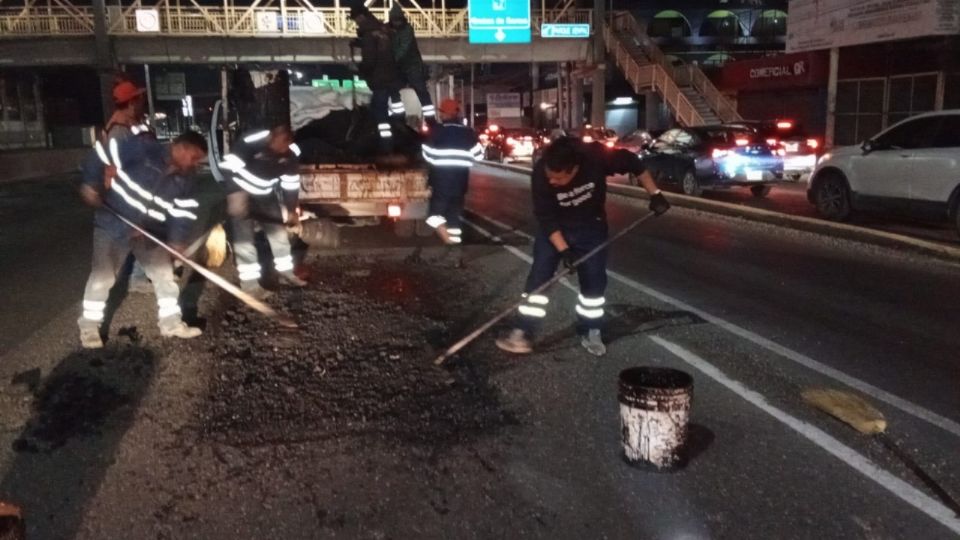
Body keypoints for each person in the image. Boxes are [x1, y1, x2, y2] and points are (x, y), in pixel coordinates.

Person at [495, 136, 671, 357]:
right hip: (556, 230)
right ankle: (523, 330)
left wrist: (655, 194)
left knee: (594, 283)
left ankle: (591, 330)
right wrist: (564, 250)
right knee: (539, 279)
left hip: (590, 227)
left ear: (574, 169)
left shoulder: (596, 158)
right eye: (550, 177)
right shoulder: (541, 174)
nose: (552, 182)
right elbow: (545, 218)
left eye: (558, 179)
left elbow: (634, 162)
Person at [77, 131, 209, 348]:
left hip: (149, 232)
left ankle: (171, 323)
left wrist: (177, 241)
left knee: (164, 275)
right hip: (113, 224)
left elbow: (183, 212)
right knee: (103, 278)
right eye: (194, 157)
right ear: (182, 148)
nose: (195, 164)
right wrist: (91, 183)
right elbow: (100, 153)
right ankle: (89, 326)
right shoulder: (142, 149)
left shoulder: (187, 177)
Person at [218, 125, 306, 299]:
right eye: (279, 145)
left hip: (266, 194)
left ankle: (286, 273)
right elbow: (228, 168)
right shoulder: (252, 140)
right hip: (241, 192)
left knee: (279, 235)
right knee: (244, 241)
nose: (281, 150)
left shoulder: (290, 154)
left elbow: (291, 184)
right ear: (271, 137)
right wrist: (235, 194)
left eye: (285, 146)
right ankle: (250, 286)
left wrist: (291, 211)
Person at [104, 80, 156, 293]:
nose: (142, 100)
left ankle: (140, 274)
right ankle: (136, 277)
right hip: (126, 191)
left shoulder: (131, 123)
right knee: (135, 234)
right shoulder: (119, 130)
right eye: (139, 97)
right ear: (132, 102)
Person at [422, 98, 483, 246]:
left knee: (433, 217)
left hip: (441, 183)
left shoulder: (437, 131)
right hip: (460, 184)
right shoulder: (468, 133)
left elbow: (427, 155)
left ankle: (448, 241)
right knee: (453, 218)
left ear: (443, 114)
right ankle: (455, 248)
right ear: (457, 113)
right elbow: (479, 156)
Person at [349, 4, 402, 154]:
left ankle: (386, 147)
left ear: (361, 17)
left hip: (380, 81)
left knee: (380, 115)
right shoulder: (383, 30)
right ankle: (401, 134)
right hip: (393, 78)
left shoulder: (368, 34)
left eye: (356, 20)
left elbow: (370, 60)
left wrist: (360, 70)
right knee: (397, 110)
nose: (356, 23)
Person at [388, 4, 435, 125]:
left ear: (401, 19)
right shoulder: (388, 30)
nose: (396, 22)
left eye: (398, 20)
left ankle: (430, 120)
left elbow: (403, 49)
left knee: (421, 91)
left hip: (412, 66)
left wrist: (391, 60)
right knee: (392, 88)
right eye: (394, 20)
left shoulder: (407, 30)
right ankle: (399, 115)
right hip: (399, 67)